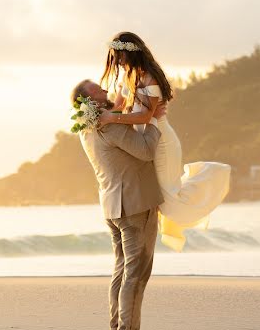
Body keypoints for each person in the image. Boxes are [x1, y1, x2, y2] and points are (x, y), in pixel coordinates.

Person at [98, 32, 231, 252]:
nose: (118, 63)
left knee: (170, 201)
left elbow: (144, 116)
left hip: (162, 142)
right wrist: (94, 115)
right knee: (161, 198)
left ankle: (210, 175)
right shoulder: (127, 78)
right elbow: (118, 107)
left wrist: (112, 118)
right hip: (144, 141)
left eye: (119, 57)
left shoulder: (150, 77)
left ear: (129, 53)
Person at [71, 79, 167, 330]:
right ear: (92, 102)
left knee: (121, 270)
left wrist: (130, 107)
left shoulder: (86, 127)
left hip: (113, 206)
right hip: (135, 205)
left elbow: (120, 111)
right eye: (98, 91)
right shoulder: (109, 125)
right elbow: (146, 150)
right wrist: (153, 122)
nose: (105, 91)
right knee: (136, 273)